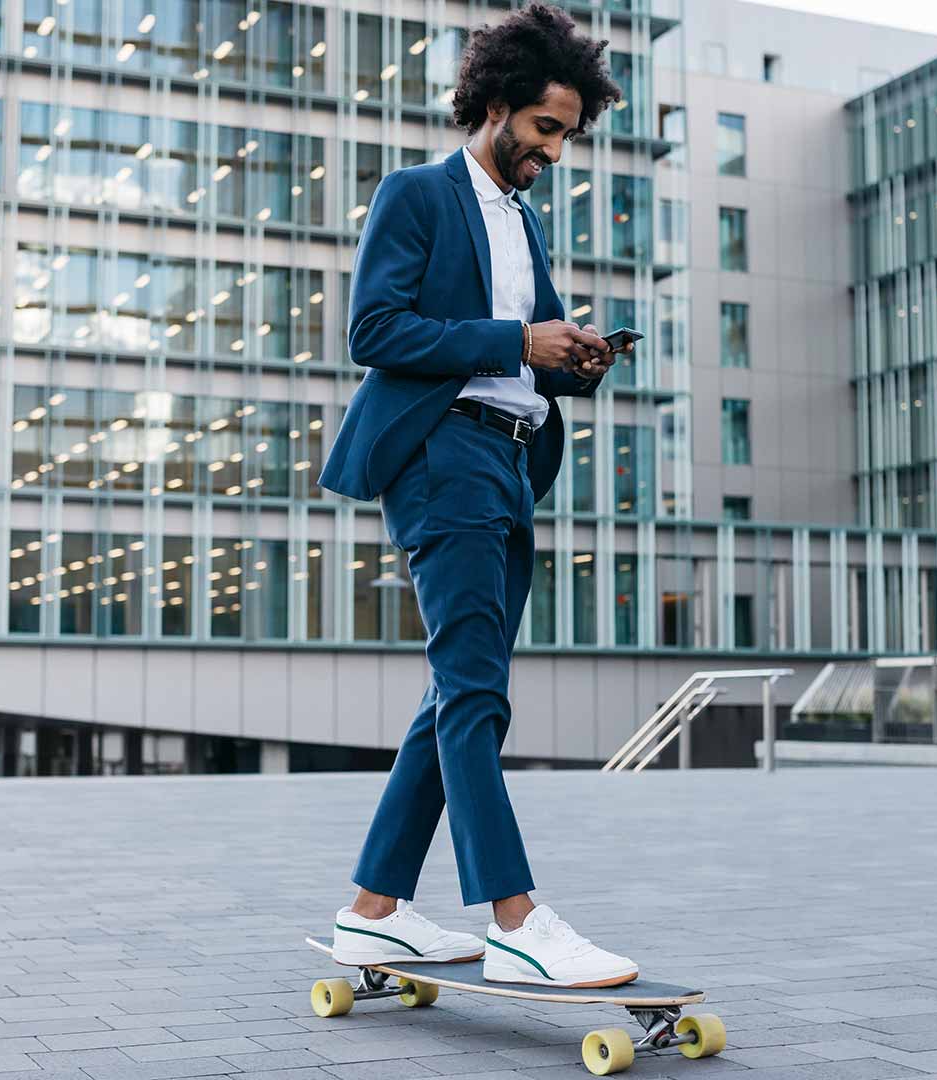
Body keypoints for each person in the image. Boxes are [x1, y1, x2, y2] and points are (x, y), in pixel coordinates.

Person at [316, 3, 639, 989]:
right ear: (496, 107)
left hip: (510, 457)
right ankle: (516, 917)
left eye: (569, 136)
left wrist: (574, 355)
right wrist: (516, 342)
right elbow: (375, 331)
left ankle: (374, 912)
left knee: (455, 690)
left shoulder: (525, 221)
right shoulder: (416, 195)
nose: (556, 149)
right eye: (546, 127)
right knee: (475, 694)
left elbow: (532, 353)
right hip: (440, 455)